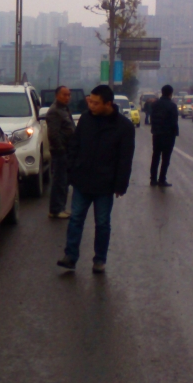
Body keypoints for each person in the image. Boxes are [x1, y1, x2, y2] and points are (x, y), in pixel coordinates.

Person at [57, 84, 135, 275]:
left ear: (108, 104)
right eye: (90, 101)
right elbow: (75, 144)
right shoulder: (86, 119)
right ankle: (70, 257)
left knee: (102, 223)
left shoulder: (124, 127)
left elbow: (125, 159)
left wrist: (120, 185)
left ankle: (99, 259)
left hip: (105, 184)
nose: (91, 105)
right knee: (76, 219)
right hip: (82, 180)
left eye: (95, 103)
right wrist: (71, 169)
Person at [46, 85, 76, 219]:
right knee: (59, 181)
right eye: (64, 95)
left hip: (67, 150)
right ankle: (56, 210)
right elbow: (53, 134)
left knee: (64, 181)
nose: (67, 97)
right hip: (60, 152)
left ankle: (60, 208)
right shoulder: (54, 111)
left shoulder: (64, 109)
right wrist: (61, 149)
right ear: (57, 95)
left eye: (69, 95)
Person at [149, 84, 179, 187]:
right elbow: (174, 121)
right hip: (168, 135)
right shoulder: (172, 106)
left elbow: (152, 118)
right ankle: (162, 179)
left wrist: (154, 129)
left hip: (157, 134)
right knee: (165, 158)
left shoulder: (155, 104)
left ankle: (153, 179)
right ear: (171, 93)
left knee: (155, 156)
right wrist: (175, 132)